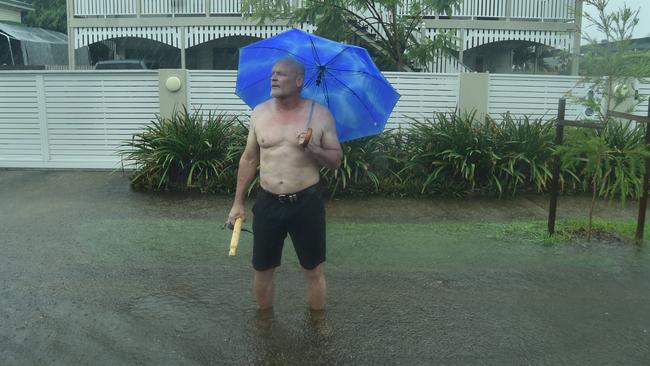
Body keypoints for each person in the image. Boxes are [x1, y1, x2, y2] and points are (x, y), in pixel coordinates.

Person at [227, 58, 343, 321]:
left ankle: (317, 326)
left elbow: (336, 160)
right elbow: (249, 159)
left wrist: (313, 148)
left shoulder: (321, 115)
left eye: (281, 74)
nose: (274, 78)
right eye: (272, 74)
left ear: (299, 80)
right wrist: (237, 203)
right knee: (262, 269)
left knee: (313, 270)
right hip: (268, 202)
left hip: (306, 203)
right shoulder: (259, 113)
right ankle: (264, 324)